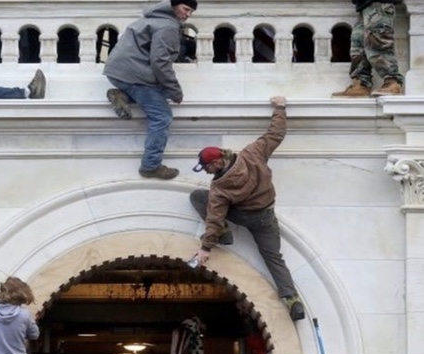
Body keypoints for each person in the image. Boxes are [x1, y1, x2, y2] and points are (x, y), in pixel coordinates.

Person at [189, 96, 306, 322]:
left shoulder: (219, 188)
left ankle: (225, 234)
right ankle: (292, 299)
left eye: (205, 167)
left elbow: (214, 218)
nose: (205, 171)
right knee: (273, 258)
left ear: (215, 164)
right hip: (266, 217)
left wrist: (206, 247)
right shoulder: (252, 154)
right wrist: (280, 108)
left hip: (243, 216)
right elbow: (275, 134)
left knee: (197, 197)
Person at [102, 0, 197, 180]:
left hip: (117, 72)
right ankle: (150, 166)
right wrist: (175, 90)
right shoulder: (167, 26)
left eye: (191, 11)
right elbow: (160, 62)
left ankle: (123, 95)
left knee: (156, 94)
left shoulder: (151, 18)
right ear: (174, 6)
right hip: (135, 74)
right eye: (186, 9)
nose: (188, 14)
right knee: (162, 116)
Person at [331, 0, 403, 97]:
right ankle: (361, 84)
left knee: (378, 39)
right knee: (358, 43)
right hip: (364, 4)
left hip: (379, 2)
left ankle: (392, 82)